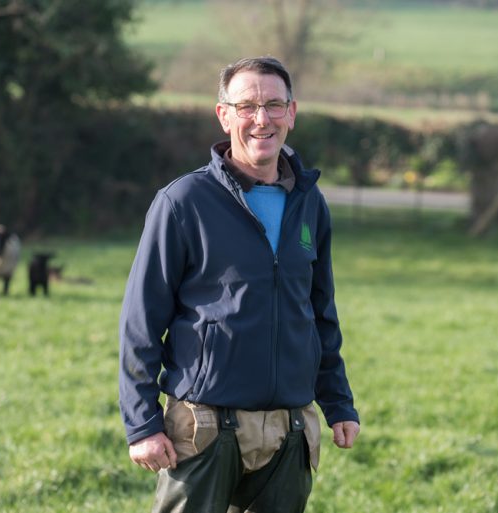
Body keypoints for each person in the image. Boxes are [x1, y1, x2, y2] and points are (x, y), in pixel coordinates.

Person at [119, 56, 360, 513]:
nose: (261, 119)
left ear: (292, 113)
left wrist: (339, 403)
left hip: (290, 429)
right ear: (224, 114)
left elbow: (319, 313)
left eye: (273, 104)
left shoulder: (310, 204)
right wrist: (142, 424)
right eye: (247, 105)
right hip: (205, 425)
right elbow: (140, 322)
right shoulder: (183, 202)